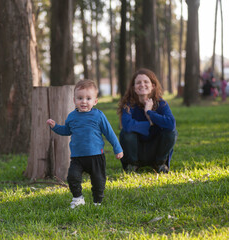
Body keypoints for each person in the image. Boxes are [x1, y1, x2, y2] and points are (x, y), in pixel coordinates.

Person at [46, 79, 123, 209]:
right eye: (80, 98)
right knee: (72, 177)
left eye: (88, 98)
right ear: (74, 100)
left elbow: (109, 133)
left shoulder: (98, 116)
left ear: (95, 101)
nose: (84, 101)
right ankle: (78, 198)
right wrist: (55, 126)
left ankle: (97, 202)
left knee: (98, 181)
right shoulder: (71, 117)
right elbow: (66, 131)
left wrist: (118, 148)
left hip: (96, 156)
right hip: (77, 157)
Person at [117, 68, 177, 173]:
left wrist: (149, 113)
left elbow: (171, 124)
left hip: (155, 150)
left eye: (146, 82)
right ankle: (132, 165)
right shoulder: (128, 105)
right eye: (138, 82)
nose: (142, 84)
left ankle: (160, 164)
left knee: (171, 132)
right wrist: (150, 123)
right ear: (134, 88)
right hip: (136, 150)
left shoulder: (161, 104)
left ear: (153, 86)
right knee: (126, 133)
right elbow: (126, 125)